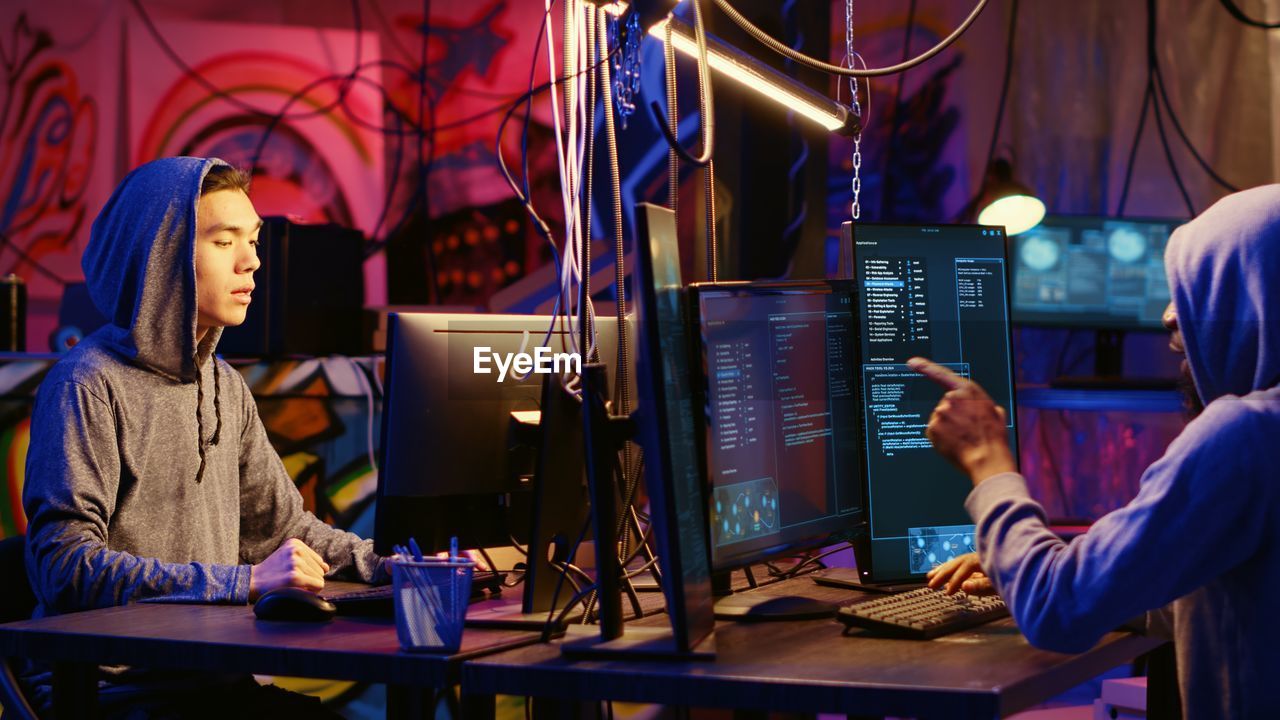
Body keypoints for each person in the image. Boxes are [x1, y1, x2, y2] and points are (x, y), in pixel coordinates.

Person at [21, 157, 383, 716]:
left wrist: (391, 565)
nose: (252, 261)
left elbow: (282, 530)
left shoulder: (224, 387)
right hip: (113, 694)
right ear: (162, 258)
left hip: (212, 682)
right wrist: (241, 583)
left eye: (253, 239)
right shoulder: (86, 385)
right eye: (223, 241)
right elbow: (63, 567)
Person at [912, 184, 1280, 718]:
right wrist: (1037, 564)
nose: (1169, 317)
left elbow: (1058, 611)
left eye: (1199, 286)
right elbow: (1237, 594)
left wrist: (987, 459)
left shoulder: (1246, 437)